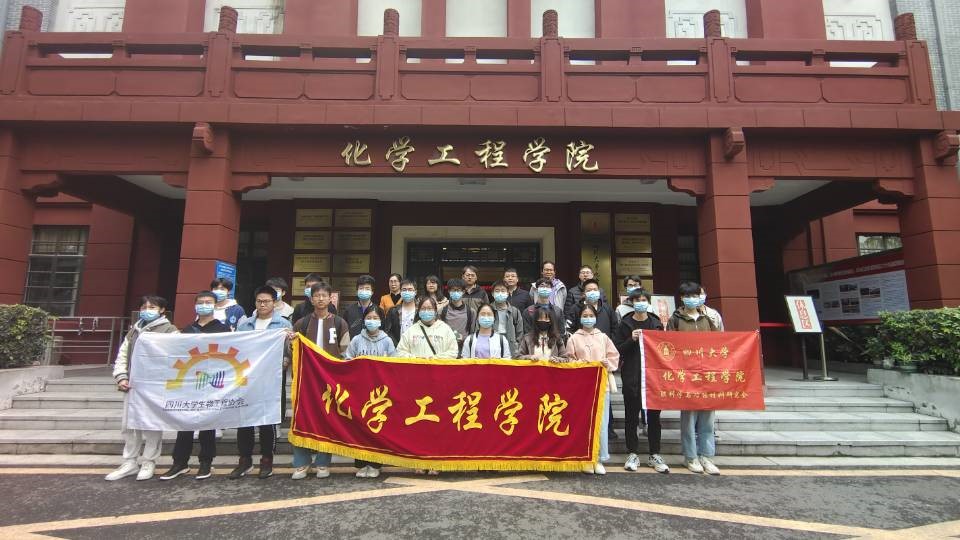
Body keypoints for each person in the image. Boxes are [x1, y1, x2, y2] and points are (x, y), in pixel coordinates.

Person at [105, 295, 179, 481]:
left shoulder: (170, 331)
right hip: (133, 385)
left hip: (155, 387)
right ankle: (129, 462)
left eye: (152, 307)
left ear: (162, 310)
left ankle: (149, 461)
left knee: (152, 425)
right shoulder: (134, 331)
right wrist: (121, 376)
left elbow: (178, 356)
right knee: (129, 426)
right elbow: (122, 355)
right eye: (144, 307)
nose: (147, 310)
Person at [159, 291, 230, 481]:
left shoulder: (223, 329)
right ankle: (179, 463)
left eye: (208, 302)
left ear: (215, 305)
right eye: (201, 302)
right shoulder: (188, 330)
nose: (204, 305)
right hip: (190, 382)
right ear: (195, 305)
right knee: (185, 423)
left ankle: (206, 462)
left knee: (209, 424)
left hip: (213, 382)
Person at [291, 282, 351, 480]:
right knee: (302, 418)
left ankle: (323, 462)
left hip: (329, 380)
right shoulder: (302, 324)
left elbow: (346, 352)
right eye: (317, 295)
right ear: (311, 299)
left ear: (330, 298)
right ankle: (301, 463)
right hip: (305, 380)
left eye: (324, 295)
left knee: (326, 419)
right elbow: (292, 350)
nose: (320, 299)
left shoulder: (339, 323)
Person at [231, 286, 292, 480]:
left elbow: (290, 351)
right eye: (259, 301)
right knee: (244, 421)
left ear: (274, 303)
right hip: (247, 378)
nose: (263, 304)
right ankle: (244, 460)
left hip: (270, 379)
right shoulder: (245, 324)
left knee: (267, 421)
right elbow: (235, 348)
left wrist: (287, 358)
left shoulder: (283, 324)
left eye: (266, 301)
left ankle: (267, 460)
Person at [396, 296, 458, 475]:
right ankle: (419, 460)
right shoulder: (411, 331)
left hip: (439, 384)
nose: (426, 311)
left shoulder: (445, 329)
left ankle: (435, 461)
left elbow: (453, 352)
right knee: (419, 425)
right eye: (423, 308)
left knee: (438, 424)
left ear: (435, 310)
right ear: (418, 310)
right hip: (417, 385)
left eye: (429, 308)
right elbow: (400, 352)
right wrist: (416, 359)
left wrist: (434, 359)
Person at [667, 281, 722, 475]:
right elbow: (669, 346)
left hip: (707, 373)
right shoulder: (675, 319)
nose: (692, 299)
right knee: (689, 418)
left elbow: (720, 343)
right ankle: (690, 457)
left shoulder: (709, 318)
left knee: (708, 418)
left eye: (695, 295)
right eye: (688, 296)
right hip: (687, 374)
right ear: (682, 298)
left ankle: (707, 456)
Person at [614, 288, 668, 474]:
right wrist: (631, 339)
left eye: (643, 300)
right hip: (632, 376)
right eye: (637, 300)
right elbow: (617, 349)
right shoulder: (625, 323)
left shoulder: (656, 323)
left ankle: (655, 454)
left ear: (648, 302)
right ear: (631, 302)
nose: (640, 303)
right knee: (631, 416)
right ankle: (632, 453)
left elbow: (665, 348)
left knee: (654, 418)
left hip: (653, 378)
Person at [567, 304, 620, 475]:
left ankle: (598, 458)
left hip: (601, 385)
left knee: (601, 423)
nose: (588, 318)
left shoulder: (603, 337)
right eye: (585, 315)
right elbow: (569, 359)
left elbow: (614, 356)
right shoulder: (574, 338)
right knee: (583, 423)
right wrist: (578, 363)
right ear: (580, 318)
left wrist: (607, 363)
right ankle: (584, 458)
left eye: (591, 315)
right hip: (581, 387)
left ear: (596, 317)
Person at [344, 307, 396, 478]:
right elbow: (348, 360)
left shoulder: (387, 341)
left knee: (377, 428)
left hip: (380, 393)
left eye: (375, 318)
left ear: (381, 321)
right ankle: (361, 463)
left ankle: (375, 464)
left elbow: (394, 364)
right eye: (369, 317)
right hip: (360, 391)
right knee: (359, 428)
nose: (371, 321)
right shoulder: (356, 340)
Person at [439, 278, 477, 349]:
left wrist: (464, 338)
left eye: (458, 290)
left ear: (463, 291)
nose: (456, 292)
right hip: (447, 348)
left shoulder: (471, 312)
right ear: (449, 291)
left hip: (465, 348)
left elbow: (472, 333)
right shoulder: (442, 311)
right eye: (453, 290)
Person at [490, 280, 524, 357]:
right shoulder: (488, 310)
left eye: (503, 291)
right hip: (492, 343)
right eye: (497, 291)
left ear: (508, 293)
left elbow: (520, 332)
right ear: (492, 293)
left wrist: (517, 346)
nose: (500, 293)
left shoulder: (514, 311)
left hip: (510, 344)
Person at [343, 274, 378, 339]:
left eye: (367, 289)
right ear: (357, 291)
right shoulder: (349, 310)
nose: (364, 291)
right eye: (361, 288)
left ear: (372, 292)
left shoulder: (378, 310)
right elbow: (344, 331)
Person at [384, 279, 418, 345]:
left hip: (417, 347)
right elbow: (388, 331)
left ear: (415, 292)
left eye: (410, 290)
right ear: (400, 291)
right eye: (404, 290)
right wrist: (396, 346)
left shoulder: (420, 310)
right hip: (398, 347)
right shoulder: (393, 310)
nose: (407, 292)